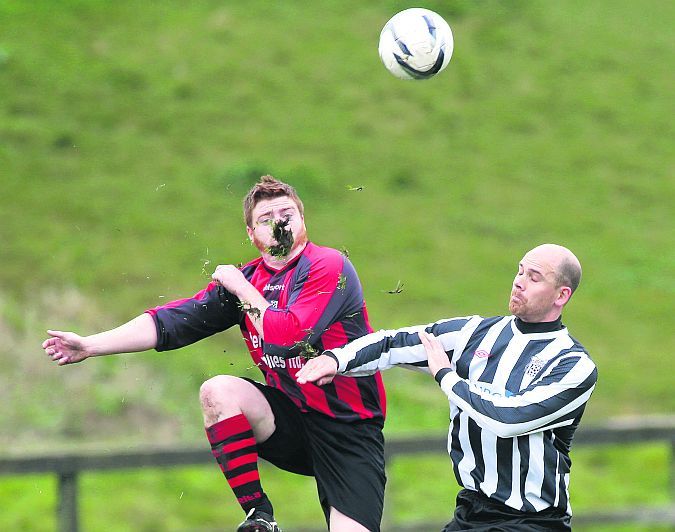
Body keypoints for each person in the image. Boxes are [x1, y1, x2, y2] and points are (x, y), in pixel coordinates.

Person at [42, 175, 387, 532]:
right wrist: (90, 344)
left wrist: (240, 286)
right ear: (252, 236)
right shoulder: (250, 278)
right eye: (266, 219)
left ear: (302, 220)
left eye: (287, 213)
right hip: (290, 421)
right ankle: (259, 516)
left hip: (348, 430)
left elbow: (287, 336)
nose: (279, 222)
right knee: (217, 391)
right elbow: (170, 322)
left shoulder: (329, 266)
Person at [297, 244, 597, 531]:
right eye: (520, 271)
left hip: (534, 522)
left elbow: (509, 418)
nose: (519, 282)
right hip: (471, 510)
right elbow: (394, 343)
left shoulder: (573, 365)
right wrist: (337, 359)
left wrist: (445, 375)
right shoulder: (474, 333)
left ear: (561, 295)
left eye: (534, 278)